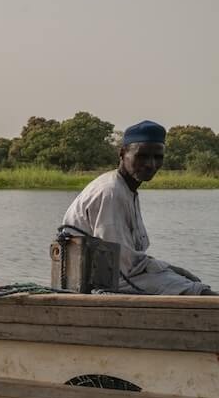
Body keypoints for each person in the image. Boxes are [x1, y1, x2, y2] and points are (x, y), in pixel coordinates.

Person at [61, 120, 212, 295]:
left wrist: (170, 269)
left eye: (158, 157)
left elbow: (130, 258)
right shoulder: (111, 192)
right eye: (142, 156)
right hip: (107, 280)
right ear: (122, 153)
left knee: (190, 283)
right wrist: (171, 273)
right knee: (200, 293)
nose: (151, 164)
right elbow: (121, 267)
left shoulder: (127, 188)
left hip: (120, 273)